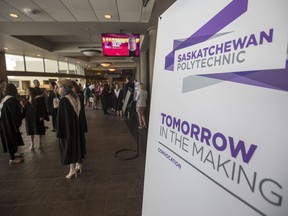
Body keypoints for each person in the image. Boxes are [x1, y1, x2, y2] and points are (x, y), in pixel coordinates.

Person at [56, 79, 87, 179]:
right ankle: (79, 165)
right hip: (77, 127)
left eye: (60, 87)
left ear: (65, 88)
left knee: (69, 148)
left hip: (69, 129)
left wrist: (60, 132)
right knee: (77, 146)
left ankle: (72, 170)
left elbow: (62, 119)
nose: (58, 89)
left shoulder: (64, 100)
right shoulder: (76, 97)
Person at [0, 84, 25, 164]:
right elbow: (15, 113)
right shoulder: (11, 100)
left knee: (11, 138)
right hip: (9, 123)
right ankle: (12, 158)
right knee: (11, 138)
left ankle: (14, 153)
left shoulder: (5, 99)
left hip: (5, 123)